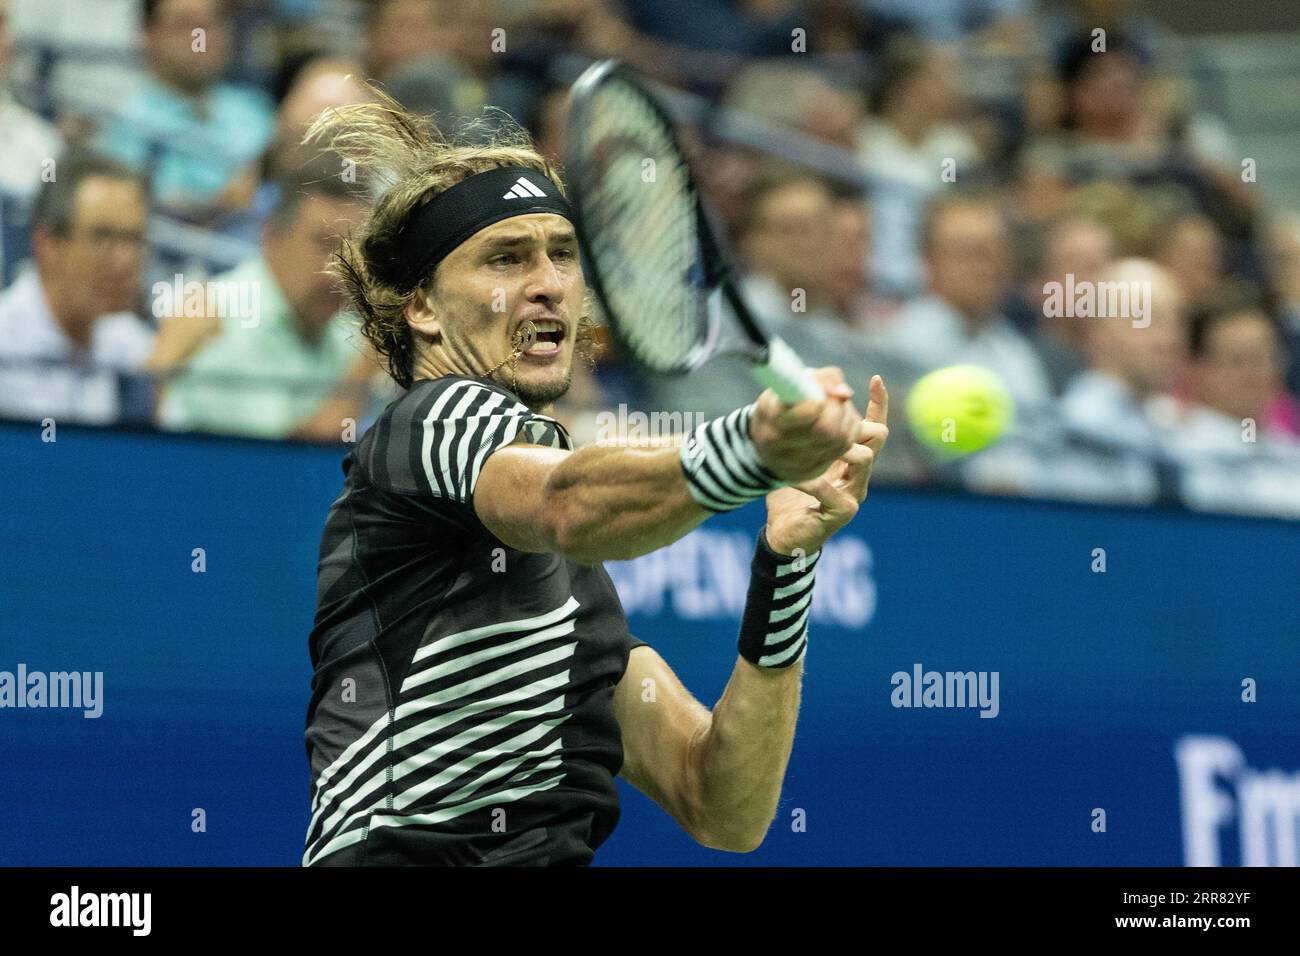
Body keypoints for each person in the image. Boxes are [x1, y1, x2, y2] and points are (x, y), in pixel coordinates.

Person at [298, 91, 888, 866]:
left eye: (563, 253)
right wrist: (752, 449)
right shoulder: (428, 422)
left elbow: (721, 805)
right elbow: (564, 499)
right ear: (423, 310)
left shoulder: (571, 606)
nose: (549, 282)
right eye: (506, 257)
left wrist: (790, 563)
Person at [152, 159, 378, 441]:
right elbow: (277, 464)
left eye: (354, 249)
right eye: (324, 244)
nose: (341, 269)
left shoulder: (348, 330)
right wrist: (370, 361)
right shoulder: (220, 317)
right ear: (271, 236)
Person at [0, 152, 153, 425]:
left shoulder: (127, 338)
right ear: (47, 244)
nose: (125, 261)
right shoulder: (6, 345)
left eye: (134, 239)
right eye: (102, 237)